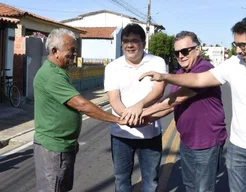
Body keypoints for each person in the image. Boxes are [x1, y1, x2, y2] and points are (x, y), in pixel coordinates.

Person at [139, 16, 246, 192]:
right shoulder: (234, 64)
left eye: (242, 45)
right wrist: (165, 76)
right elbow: (198, 79)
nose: (238, 51)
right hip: (238, 149)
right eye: (235, 45)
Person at [33, 28, 126, 192]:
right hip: (54, 148)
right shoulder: (51, 75)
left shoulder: (61, 72)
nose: (75, 54)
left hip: (63, 145)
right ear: (55, 51)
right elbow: (82, 105)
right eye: (71, 50)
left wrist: (72, 139)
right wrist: (118, 120)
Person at [140, 31, 227, 192]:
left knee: (204, 188)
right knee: (190, 186)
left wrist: (140, 111)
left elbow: (178, 98)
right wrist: (145, 118)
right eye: (177, 52)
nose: (181, 56)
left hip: (207, 142)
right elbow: (171, 104)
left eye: (185, 51)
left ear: (197, 50)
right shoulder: (180, 73)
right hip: (187, 140)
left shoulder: (205, 69)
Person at [104, 23, 167, 191]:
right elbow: (114, 99)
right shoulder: (112, 67)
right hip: (121, 134)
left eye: (134, 41)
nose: (130, 45)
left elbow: (158, 91)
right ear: (121, 44)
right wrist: (130, 117)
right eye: (126, 41)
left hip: (150, 134)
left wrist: (138, 107)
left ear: (143, 43)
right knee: (122, 181)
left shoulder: (157, 62)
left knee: (150, 181)